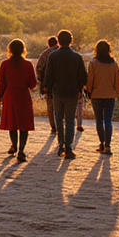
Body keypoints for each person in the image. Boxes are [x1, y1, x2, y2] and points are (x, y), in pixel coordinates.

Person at [41, 29, 87, 159]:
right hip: (72, 93)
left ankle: (60, 144)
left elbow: (48, 75)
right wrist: (80, 90)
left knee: (59, 119)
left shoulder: (53, 56)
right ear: (71, 41)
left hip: (58, 92)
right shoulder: (77, 57)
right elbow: (83, 77)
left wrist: (47, 89)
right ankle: (68, 147)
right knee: (70, 120)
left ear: (58, 41)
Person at [0, 39, 37, 162]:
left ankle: (14, 145)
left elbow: (1, 82)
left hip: (10, 95)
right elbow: (32, 84)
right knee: (24, 125)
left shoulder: (5, 64)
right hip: (23, 96)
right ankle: (22, 150)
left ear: (10, 50)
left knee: (12, 123)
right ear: (23, 50)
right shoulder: (28, 65)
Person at [85, 39, 119, 155]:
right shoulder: (114, 64)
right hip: (110, 95)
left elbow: (90, 79)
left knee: (99, 121)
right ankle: (108, 146)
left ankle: (101, 143)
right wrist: (117, 92)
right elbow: (118, 81)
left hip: (97, 95)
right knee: (108, 120)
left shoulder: (93, 63)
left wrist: (89, 91)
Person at [35, 36, 59, 136]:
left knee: (50, 106)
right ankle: (61, 125)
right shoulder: (62, 52)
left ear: (48, 44)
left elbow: (38, 68)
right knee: (60, 106)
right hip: (60, 84)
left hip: (47, 85)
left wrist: (41, 81)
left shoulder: (44, 54)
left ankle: (53, 127)